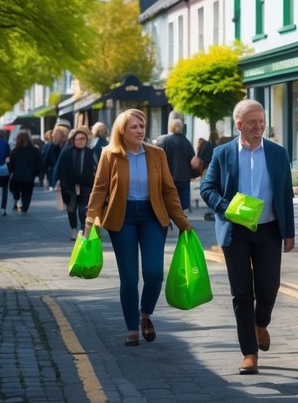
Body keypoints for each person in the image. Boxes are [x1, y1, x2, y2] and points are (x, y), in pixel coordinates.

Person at [200, 99, 296, 375]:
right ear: (239, 125)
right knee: (242, 293)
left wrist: (289, 233)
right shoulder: (223, 153)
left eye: (262, 121)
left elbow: (286, 194)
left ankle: (260, 322)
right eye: (252, 122)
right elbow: (208, 188)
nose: (259, 126)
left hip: (268, 229)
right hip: (236, 232)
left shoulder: (277, 153)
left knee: (269, 286)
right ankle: (249, 352)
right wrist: (225, 208)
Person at [85, 109, 192, 346]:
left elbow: (168, 189)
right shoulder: (109, 154)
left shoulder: (157, 153)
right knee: (129, 277)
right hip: (121, 219)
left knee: (154, 273)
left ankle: (146, 314)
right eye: (134, 126)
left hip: (152, 216)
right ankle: (132, 328)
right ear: (122, 130)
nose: (140, 130)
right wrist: (90, 219)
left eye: (142, 126)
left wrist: (182, 221)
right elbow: (99, 188)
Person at [55, 127, 96, 240]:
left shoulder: (90, 152)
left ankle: (83, 230)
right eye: (78, 139)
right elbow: (59, 167)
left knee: (83, 210)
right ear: (73, 140)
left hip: (86, 185)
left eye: (83, 139)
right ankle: (74, 230)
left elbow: (96, 168)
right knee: (71, 209)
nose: (81, 141)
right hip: (69, 186)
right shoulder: (66, 152)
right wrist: (56, 182)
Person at [157, 117, 196, 210]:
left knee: (167, 203)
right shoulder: (186, 142)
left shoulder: (164, 140)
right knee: (181, 206)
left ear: (170, 127)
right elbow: (193, 160)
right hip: (184, 177)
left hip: (168, 176)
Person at [6, 131, 42, 214]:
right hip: (29, 177)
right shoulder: (35, 151)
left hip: (17, 177)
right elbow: (39, 164)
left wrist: (8, 165)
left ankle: (17, 200)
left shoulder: (15, 151)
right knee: (27, 194)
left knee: (15, 192)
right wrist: (36, 173)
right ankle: (25, 208)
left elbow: (11, 166)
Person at [44, 124, 69, 190]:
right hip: (59, 172)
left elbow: (46, 159)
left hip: (55, 172)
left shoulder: (53, 145)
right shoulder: (66, 145)